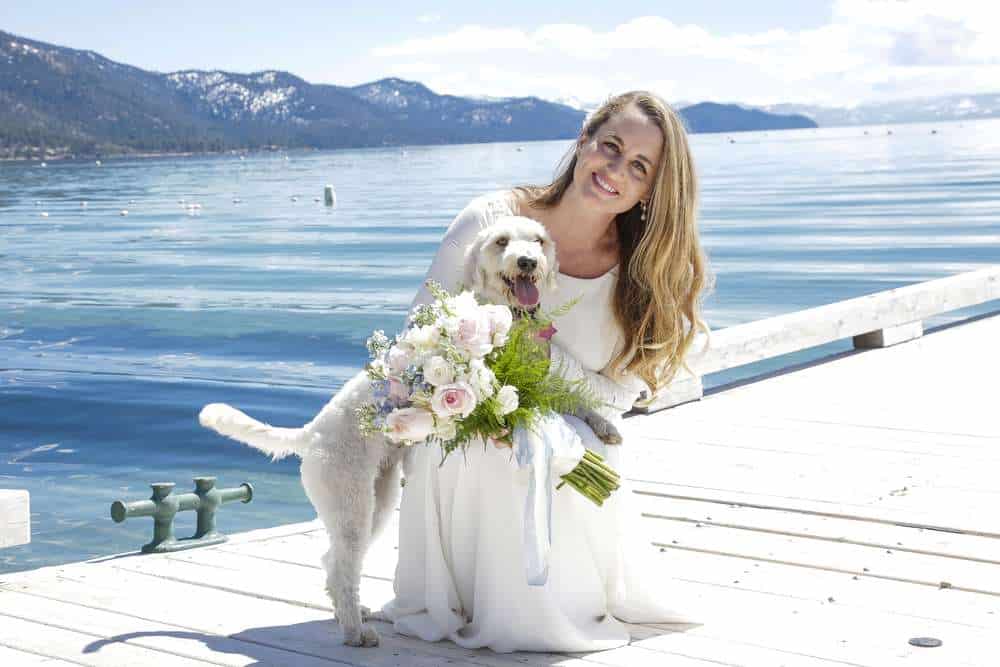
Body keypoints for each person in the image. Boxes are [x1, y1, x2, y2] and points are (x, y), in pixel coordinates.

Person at [380, 91, 712, 653]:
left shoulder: (646, 270)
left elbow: (617, 403)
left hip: (577, 439)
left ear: (652, 189)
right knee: (497, 452)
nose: (615, 170)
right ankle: (477, 601)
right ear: (583, 140)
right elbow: (418, 335)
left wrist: (544, 366)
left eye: (638, 167)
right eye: (610, 147)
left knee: (558, 455)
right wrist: (479, 404)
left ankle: (567, 605)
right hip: (467, 425)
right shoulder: (492, 221)